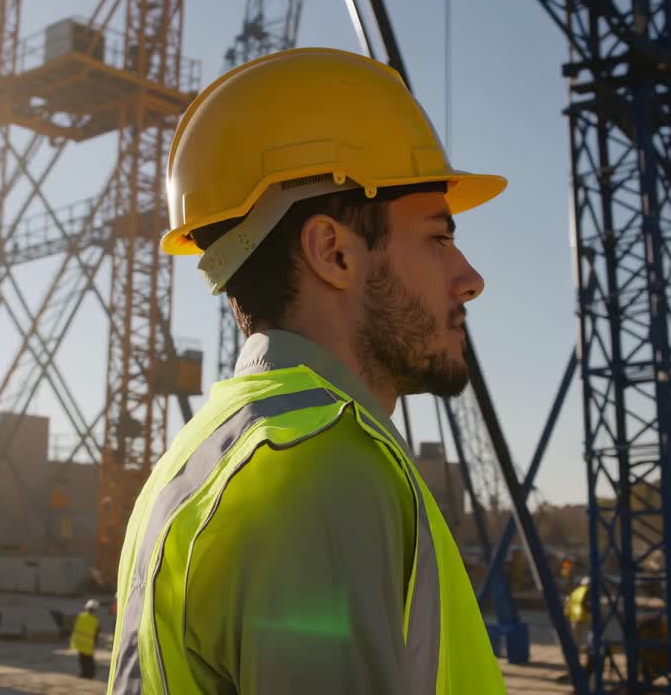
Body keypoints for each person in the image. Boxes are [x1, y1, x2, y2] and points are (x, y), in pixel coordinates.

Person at [106, 47, 509, 694]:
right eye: (438, 238)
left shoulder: (205, 452)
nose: (470, 278)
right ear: (333, 253)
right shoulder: (317, 468)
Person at [565, 576, 592, 673]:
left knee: (576, 642)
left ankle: (574, 663)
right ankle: (585, 665)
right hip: (583, 618)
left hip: (574, 618)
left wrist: (568, 616)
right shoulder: (587, 591)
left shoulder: (575, 591)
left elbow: (568, 604)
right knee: (585, 642)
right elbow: (586, 604)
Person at [70, 599, 102, 679]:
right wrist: (95, 643)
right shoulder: (95, 621)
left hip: (79, 642)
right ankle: (89, 674)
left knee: (82, 659)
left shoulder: (80, 616)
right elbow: (97, 633)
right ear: (95, 610)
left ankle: (84, 673)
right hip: (89, 644)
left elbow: (74, 627)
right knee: (89, 660)